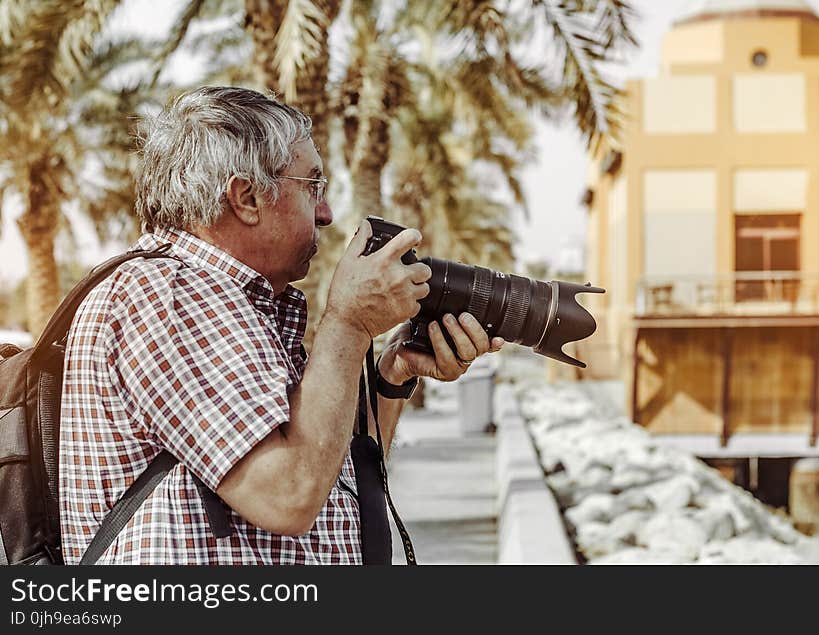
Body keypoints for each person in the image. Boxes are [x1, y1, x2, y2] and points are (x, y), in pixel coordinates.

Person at [59, 86, 503, 564]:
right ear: (246, 197)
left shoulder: (238, 304)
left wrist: (390, 376)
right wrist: (349, 322)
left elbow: (331, 477)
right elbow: (288, 494)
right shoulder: (167, 294)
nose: (327, 213)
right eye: (312, 185)